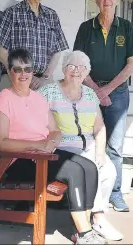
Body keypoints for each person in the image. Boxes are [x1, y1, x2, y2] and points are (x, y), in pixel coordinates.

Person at [0, 48, 106, 244]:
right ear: (9, 72)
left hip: (42, 155)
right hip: (19, 160)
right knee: (73, 172)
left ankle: (83, 226)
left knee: (89, 167)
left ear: (33, 72)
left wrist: (51, 143)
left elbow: (55, 130)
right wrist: (38, 145)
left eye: (27, 69)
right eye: (17, 69)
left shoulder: (38, 98)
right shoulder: (4, 99)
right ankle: (85, 234)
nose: (23, 74)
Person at [38, 51, 123, 241]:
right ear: (63, 69)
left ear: (87, 73)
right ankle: (95, 220)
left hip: (89, 145)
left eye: (81, 68)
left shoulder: (90, 94)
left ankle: (97, 218)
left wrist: (100, 152)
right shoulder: (49, 92)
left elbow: (99, 127)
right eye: (71, 67)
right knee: (90, 169)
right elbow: (36, 120)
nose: (76, 71)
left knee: (108, 169)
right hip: (64, 148)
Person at [73, 0, 133, 212]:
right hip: (90, 95)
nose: (107, 1)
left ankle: (115, 193)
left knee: (115, 147)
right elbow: (78, 63)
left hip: (118, 95)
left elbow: (132, 64)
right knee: (89, 143)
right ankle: (90, 192)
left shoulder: (126, 27)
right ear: (96, 0)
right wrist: (96, 90)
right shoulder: (85, 28)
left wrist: (108, 90)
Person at [0, 0, 69, 91]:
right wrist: (21, 74)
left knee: (46, 110)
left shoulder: (52, 15)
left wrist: (45, 77)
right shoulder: (11, 13)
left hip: (43, 80)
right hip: (15, 78)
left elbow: (57, 51)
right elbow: (1, 52)